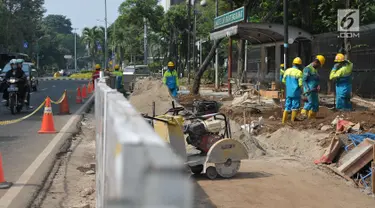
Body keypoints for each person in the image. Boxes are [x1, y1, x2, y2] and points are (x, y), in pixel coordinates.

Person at [281, 57, 303, 123]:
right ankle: (292, 121)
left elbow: (283, 80)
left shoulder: (287, 71)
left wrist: (289, 85)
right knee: (295, 106)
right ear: (299, 65)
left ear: (293, 63)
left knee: (287, 106)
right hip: (296, 92)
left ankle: (283, 121)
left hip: (288, 92)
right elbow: (300, 84)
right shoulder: (299, 72)